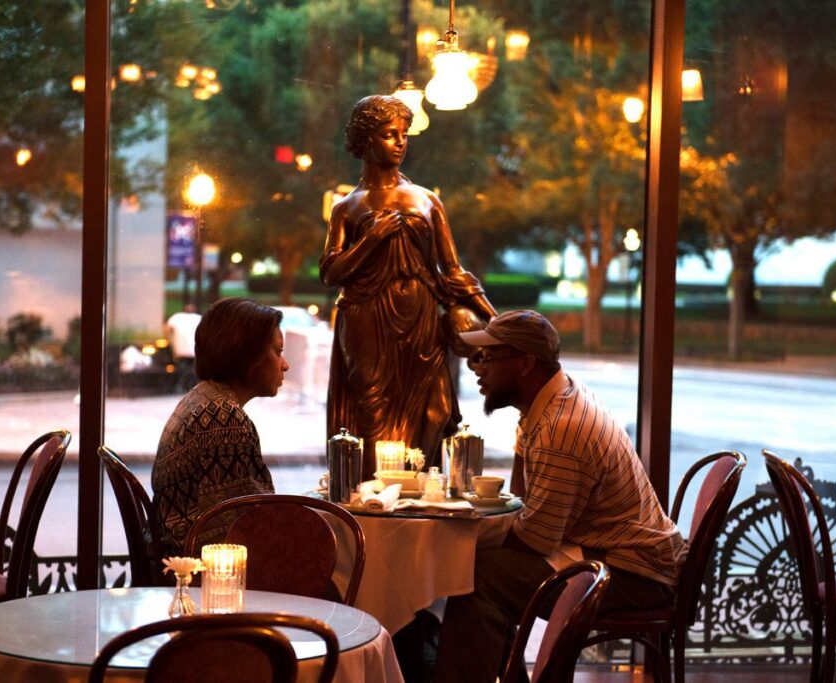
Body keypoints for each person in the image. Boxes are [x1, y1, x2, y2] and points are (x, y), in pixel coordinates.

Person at [433, 310, 688, 683]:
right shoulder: (554, 399)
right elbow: (525, 498)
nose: (477, 369)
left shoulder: (560, 430)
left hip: (635, 575)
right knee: (481, 572)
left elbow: (536, 537)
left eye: (487, 357)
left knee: (478, 576)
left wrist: (460, 537)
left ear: (524, 364)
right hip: (609, 554)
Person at [320, 94, 495, 474]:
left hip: (420, 317)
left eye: (404, 134)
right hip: (368, 319)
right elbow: (330, 272)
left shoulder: (427, 200)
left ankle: (417, 493)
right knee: (372, 410)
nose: (400, 142)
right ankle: (371, 502)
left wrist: (496, 322)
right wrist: (372, 238)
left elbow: (452, 271)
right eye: (389, 134)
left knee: (436, 409)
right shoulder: (348, 208)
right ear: (366, 142)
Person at [152, 298, 289, 555]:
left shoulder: (202, 398)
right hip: (205, 574)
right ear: (247, 356)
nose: (285, 365)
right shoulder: (222, 416)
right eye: (278, 352)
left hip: (184, 558)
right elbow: (242, 528)